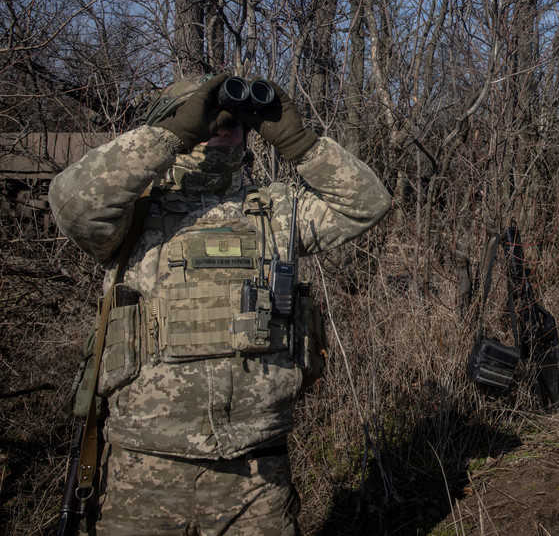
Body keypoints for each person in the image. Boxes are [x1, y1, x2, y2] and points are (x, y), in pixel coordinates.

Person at [49, 73, 391, 534]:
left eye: (232, 121)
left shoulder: (274, 211)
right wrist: (169, 135)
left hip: (255, 470)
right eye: (208, 118)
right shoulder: (133, 214)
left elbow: (367, 204)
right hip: (144, 468)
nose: (220, 128)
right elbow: (72, 204)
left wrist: (300, 142)